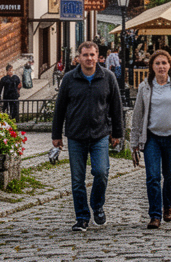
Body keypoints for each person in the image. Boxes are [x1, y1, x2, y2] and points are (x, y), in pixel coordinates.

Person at [52, 40, 124, 232]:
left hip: (100, 134)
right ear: (79, 57)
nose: (89, 58)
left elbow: (116, 107)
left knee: (101, 172)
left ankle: (97, 206)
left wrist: (117, 133)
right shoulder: (69, 79)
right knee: (77, 180)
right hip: (76, 135)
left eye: (92, 55)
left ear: (98, 56)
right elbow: (59, 108)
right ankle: (82, 217)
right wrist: (56, 134)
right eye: (85, 55)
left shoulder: (107, 77)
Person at [130, 49, 171, 230]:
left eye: (164, 63)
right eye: (157, 63)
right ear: (152, 66)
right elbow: (137, 116)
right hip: (152, 138)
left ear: (169, 65)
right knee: (152, 177)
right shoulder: (145, 87)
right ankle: (155, 215)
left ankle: (168, 206)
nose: (161, 67)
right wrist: (134, 142)